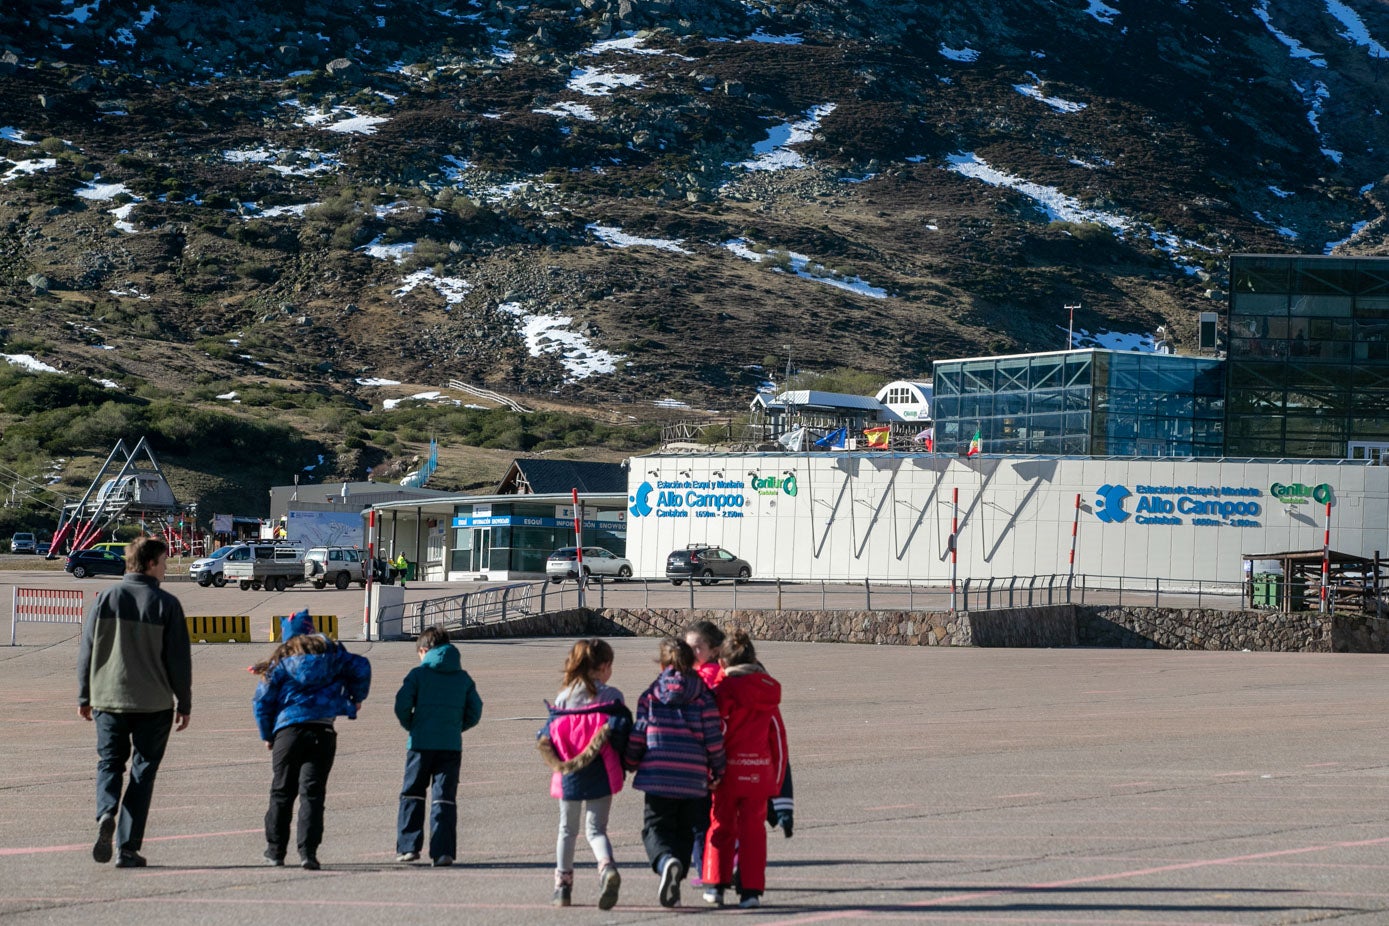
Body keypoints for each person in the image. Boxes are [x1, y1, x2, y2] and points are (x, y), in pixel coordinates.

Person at [77, 537, 191, 869]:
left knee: (109, 763)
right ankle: (127, 848)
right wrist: (184, 703)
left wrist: (84, 695)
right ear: (152, 562)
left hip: (108, 699)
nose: (167, 569)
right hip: (153, 705)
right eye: (165, 563)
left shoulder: (105, 599)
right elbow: (178, 662)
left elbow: (86, 651)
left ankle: (106, 812)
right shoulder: (166, 603)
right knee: (143, 773)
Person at [252, 609, 371, 870]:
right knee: (313, 795)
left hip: (288, 732)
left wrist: (267, 734)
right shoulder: (333, 655)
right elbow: (362, 666)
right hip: (322, 731)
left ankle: (275, 851)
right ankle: (308, 853)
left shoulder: (281, 662)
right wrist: (355, 698)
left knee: (281, 793)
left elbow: (262, 700)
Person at [623, 637, 725, 908]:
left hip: (658, 775)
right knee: (686, 831)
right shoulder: (703, 694)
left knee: (656, 827)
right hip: (693, 778)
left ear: (663, 663)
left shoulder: (651, 695)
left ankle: (665, 861)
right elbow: (713, 737)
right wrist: (718, 769)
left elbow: (639, 732)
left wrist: (631, 761)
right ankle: (675, 877)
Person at [537, 638, 632, 909]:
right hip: (602, 769)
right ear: (603, 666)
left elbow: (552, 734)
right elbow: (622, 734)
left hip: (569, 771)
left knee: (567, 830)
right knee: (596, 830)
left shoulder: (563, 697)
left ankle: (562, 887)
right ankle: (606, 867)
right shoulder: (612, 696)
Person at [701, 629, 788, 909]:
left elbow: (713, 734)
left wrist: (708, 774)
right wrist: (775, 780)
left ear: (723, 664)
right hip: (759, 774)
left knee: (720, 826)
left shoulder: (721, 693)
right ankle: (750, 891)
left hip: (726, 775)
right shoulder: (767, 694)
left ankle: (715, 885)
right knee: (753, 833)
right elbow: (778, 740)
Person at [393, 625, 483, 867]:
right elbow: (475, 711)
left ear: (424, 650)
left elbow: (401, 705)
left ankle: (409, 847)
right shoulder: (463, 678)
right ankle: (443, 852)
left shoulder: (418, 675)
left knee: (412, 793)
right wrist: (456, 727)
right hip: (450, 745)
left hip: (420, 744)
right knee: (444, 798)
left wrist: (412, 724)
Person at [683, 620, 726, 886]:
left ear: (713, 650)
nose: (692, 653)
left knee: (707, 821)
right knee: (702, 821)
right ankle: (707, 868)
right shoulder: (688, 675)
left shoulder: (712, 677)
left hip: (707, 758)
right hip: (698, 759)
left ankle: (709, 869)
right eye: (688, 648)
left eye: (698, 648)